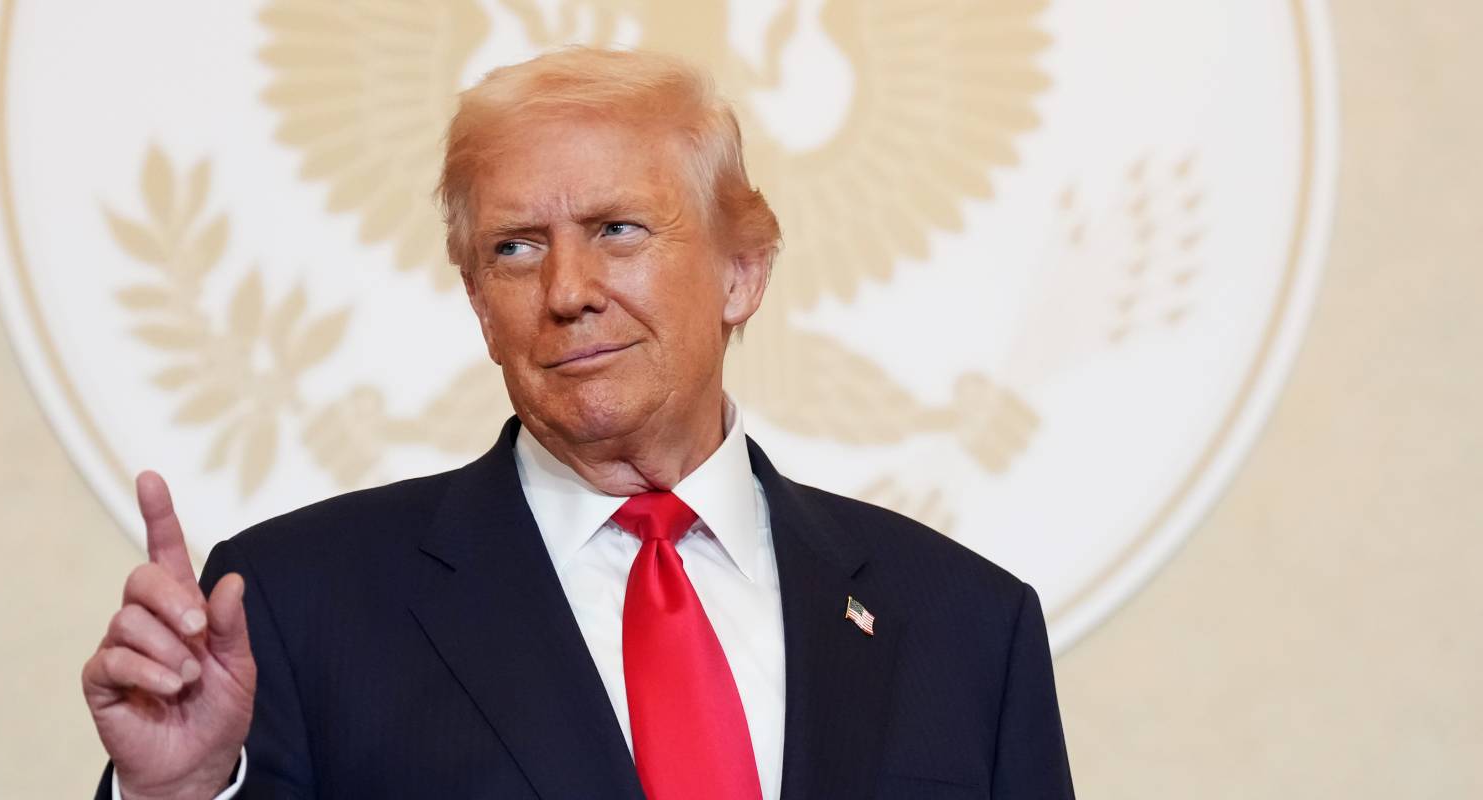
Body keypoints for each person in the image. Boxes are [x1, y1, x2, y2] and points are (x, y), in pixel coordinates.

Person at [82, 47, 1074, 800]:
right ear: (480, 306)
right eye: (516, 249)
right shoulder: (294, 607)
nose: (567, 291)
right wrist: (181, 795)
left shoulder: (966, 628)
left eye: (617, 230)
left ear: (742, 272)